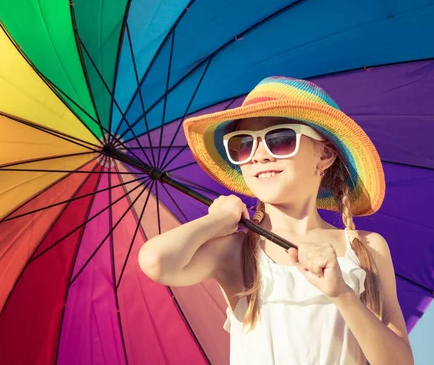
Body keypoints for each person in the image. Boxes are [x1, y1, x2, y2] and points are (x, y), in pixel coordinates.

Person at [138, 76, 413, 365]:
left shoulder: (365, 248)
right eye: (243, 145)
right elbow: (157, 261)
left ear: (325, 154)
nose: (258, 155)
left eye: (280, 140)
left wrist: (342, 294)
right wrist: (219, 220)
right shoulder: (236, 251)